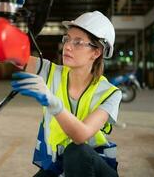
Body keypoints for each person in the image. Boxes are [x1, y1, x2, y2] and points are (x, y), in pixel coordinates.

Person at [11, 11, 122, 177]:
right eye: (67, 39)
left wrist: (53, 103)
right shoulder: (49, 71)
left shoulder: (109, 93)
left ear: (96, 52)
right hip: (60, 165)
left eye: (78, 42)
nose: (68, 46)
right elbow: (9, 53)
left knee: (77, 151)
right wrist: (2, 19)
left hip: (94, 167)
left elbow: (81, 135)